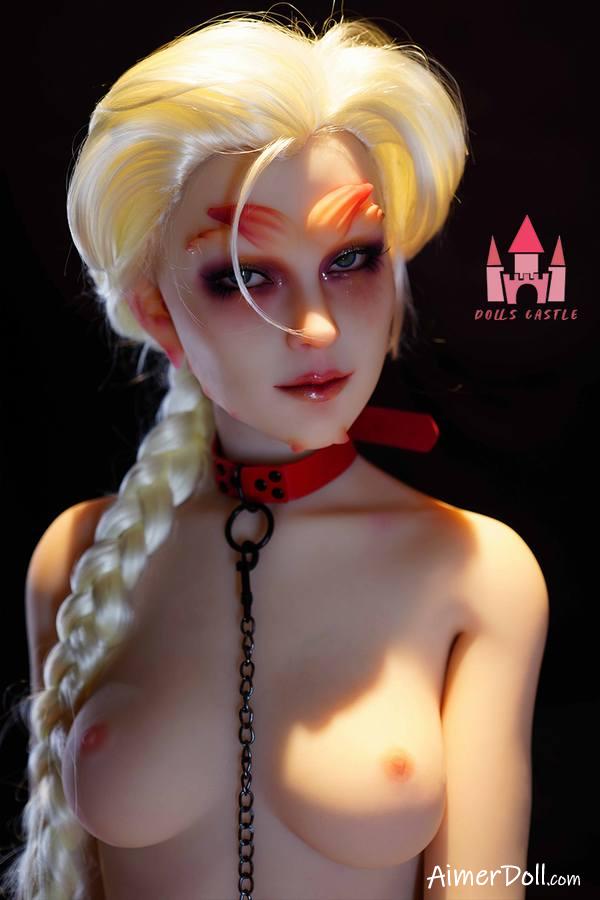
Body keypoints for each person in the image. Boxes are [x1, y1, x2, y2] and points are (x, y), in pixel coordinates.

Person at [2, 9, 549, 900]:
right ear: (155, 312)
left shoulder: (478, 573)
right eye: (242, 275)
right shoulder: (76, 557)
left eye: (351, 259)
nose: (317, 327)